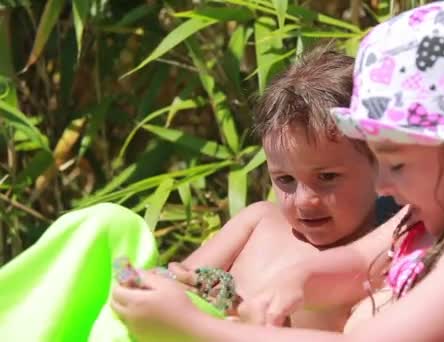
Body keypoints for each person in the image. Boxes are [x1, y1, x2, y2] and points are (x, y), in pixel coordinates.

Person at [111, 2, 444, 341]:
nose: (383, 185)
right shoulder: (441, 212)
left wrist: (197, 328)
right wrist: (294, 283)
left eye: (394, 163)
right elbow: (358, 265)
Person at [0, 46, 383, 340]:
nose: (303, 200)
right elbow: (180, 278)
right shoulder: (260, 221)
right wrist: (195, 285)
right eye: (284, 180)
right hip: (158, 329)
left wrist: (249, 324)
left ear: (383, 164)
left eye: (328, 177)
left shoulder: (379, 266)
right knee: (108, 224)